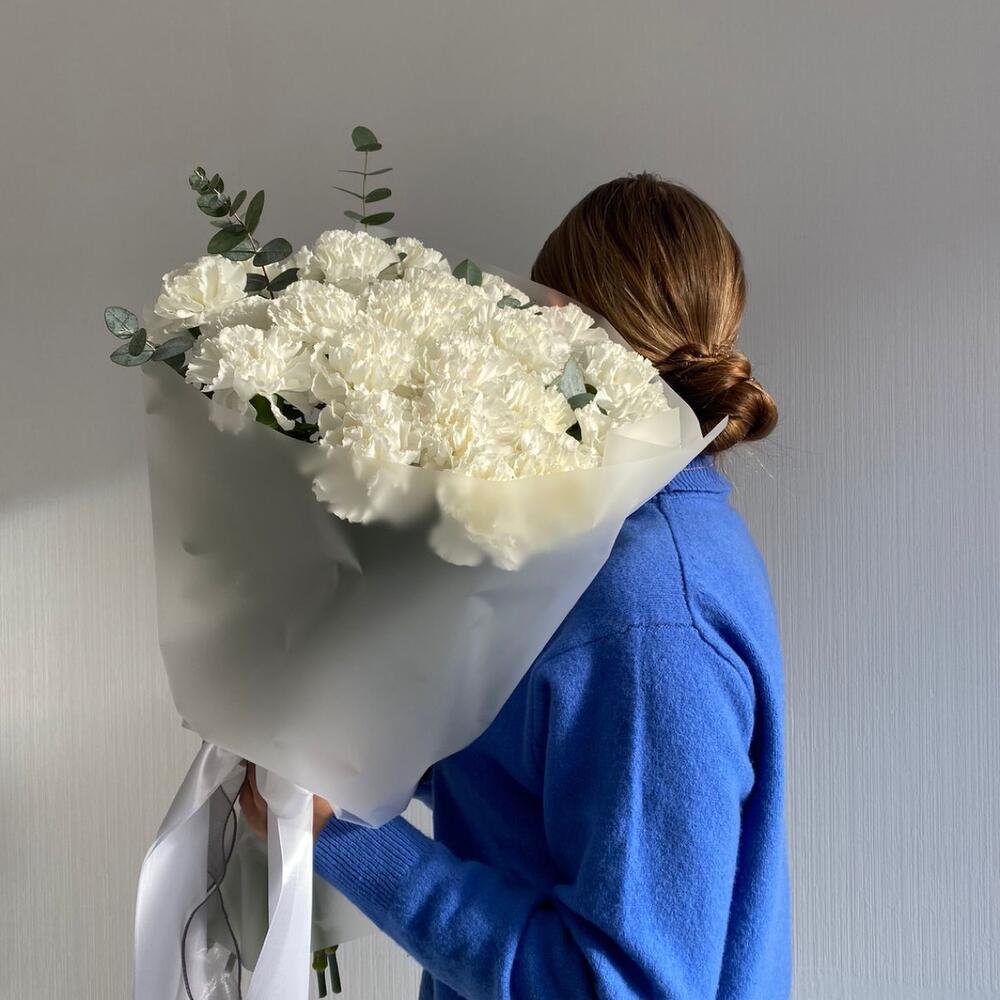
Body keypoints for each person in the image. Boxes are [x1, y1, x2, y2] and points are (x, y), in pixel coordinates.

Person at [240, 173, 791, 999]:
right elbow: (532, 780)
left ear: (566, 324)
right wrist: (341, 731)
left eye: (532, 313)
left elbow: (618, 987)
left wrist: (345, 835)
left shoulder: (651, 610)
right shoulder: (602, 541)